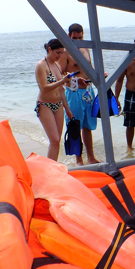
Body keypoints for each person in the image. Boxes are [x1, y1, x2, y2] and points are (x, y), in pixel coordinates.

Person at [59, 24, 100, 165]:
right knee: (75, 125)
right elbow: (61, 74)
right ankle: (78, 160)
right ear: (69, 35)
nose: (77, 40)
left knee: (88, 126)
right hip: (74, 92)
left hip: (88, 91)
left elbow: (90, 67)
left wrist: (99, 74)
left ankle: (91, 157)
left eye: (80, 37)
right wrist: (75, 80)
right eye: (74, 37)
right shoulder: (65, 52)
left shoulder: (86, 48)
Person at [35, 39, 73, 161]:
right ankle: (49, 168)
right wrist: (62, 81)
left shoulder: (57, 65)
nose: (60, 55)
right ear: (49, 49)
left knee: (58, 141)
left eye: (62, 53)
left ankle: (53, 166)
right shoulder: (41, 65)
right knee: (54, 139)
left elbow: (61, 89)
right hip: (45, 105)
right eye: (58, 52)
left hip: (58, 105)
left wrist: (67, 109)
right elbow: (44, 88)